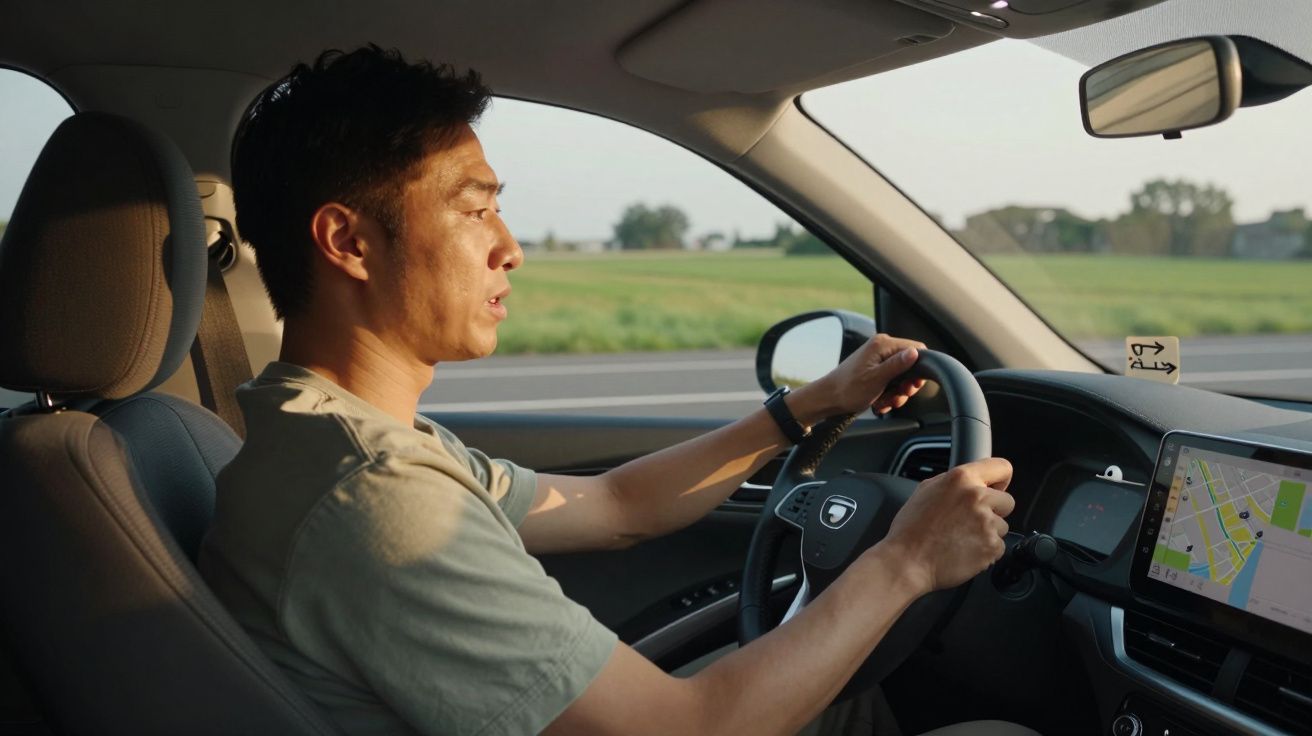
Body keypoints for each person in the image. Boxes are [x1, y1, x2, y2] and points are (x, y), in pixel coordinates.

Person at [199, 45, 1020, 736]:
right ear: (348, 241)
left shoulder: (331, 437)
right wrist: (907, 561)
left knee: (852, 704)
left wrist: (811, 405)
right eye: (474, 210)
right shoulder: (374, 498)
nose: (510, 248)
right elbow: (692, 729)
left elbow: (620, 507)